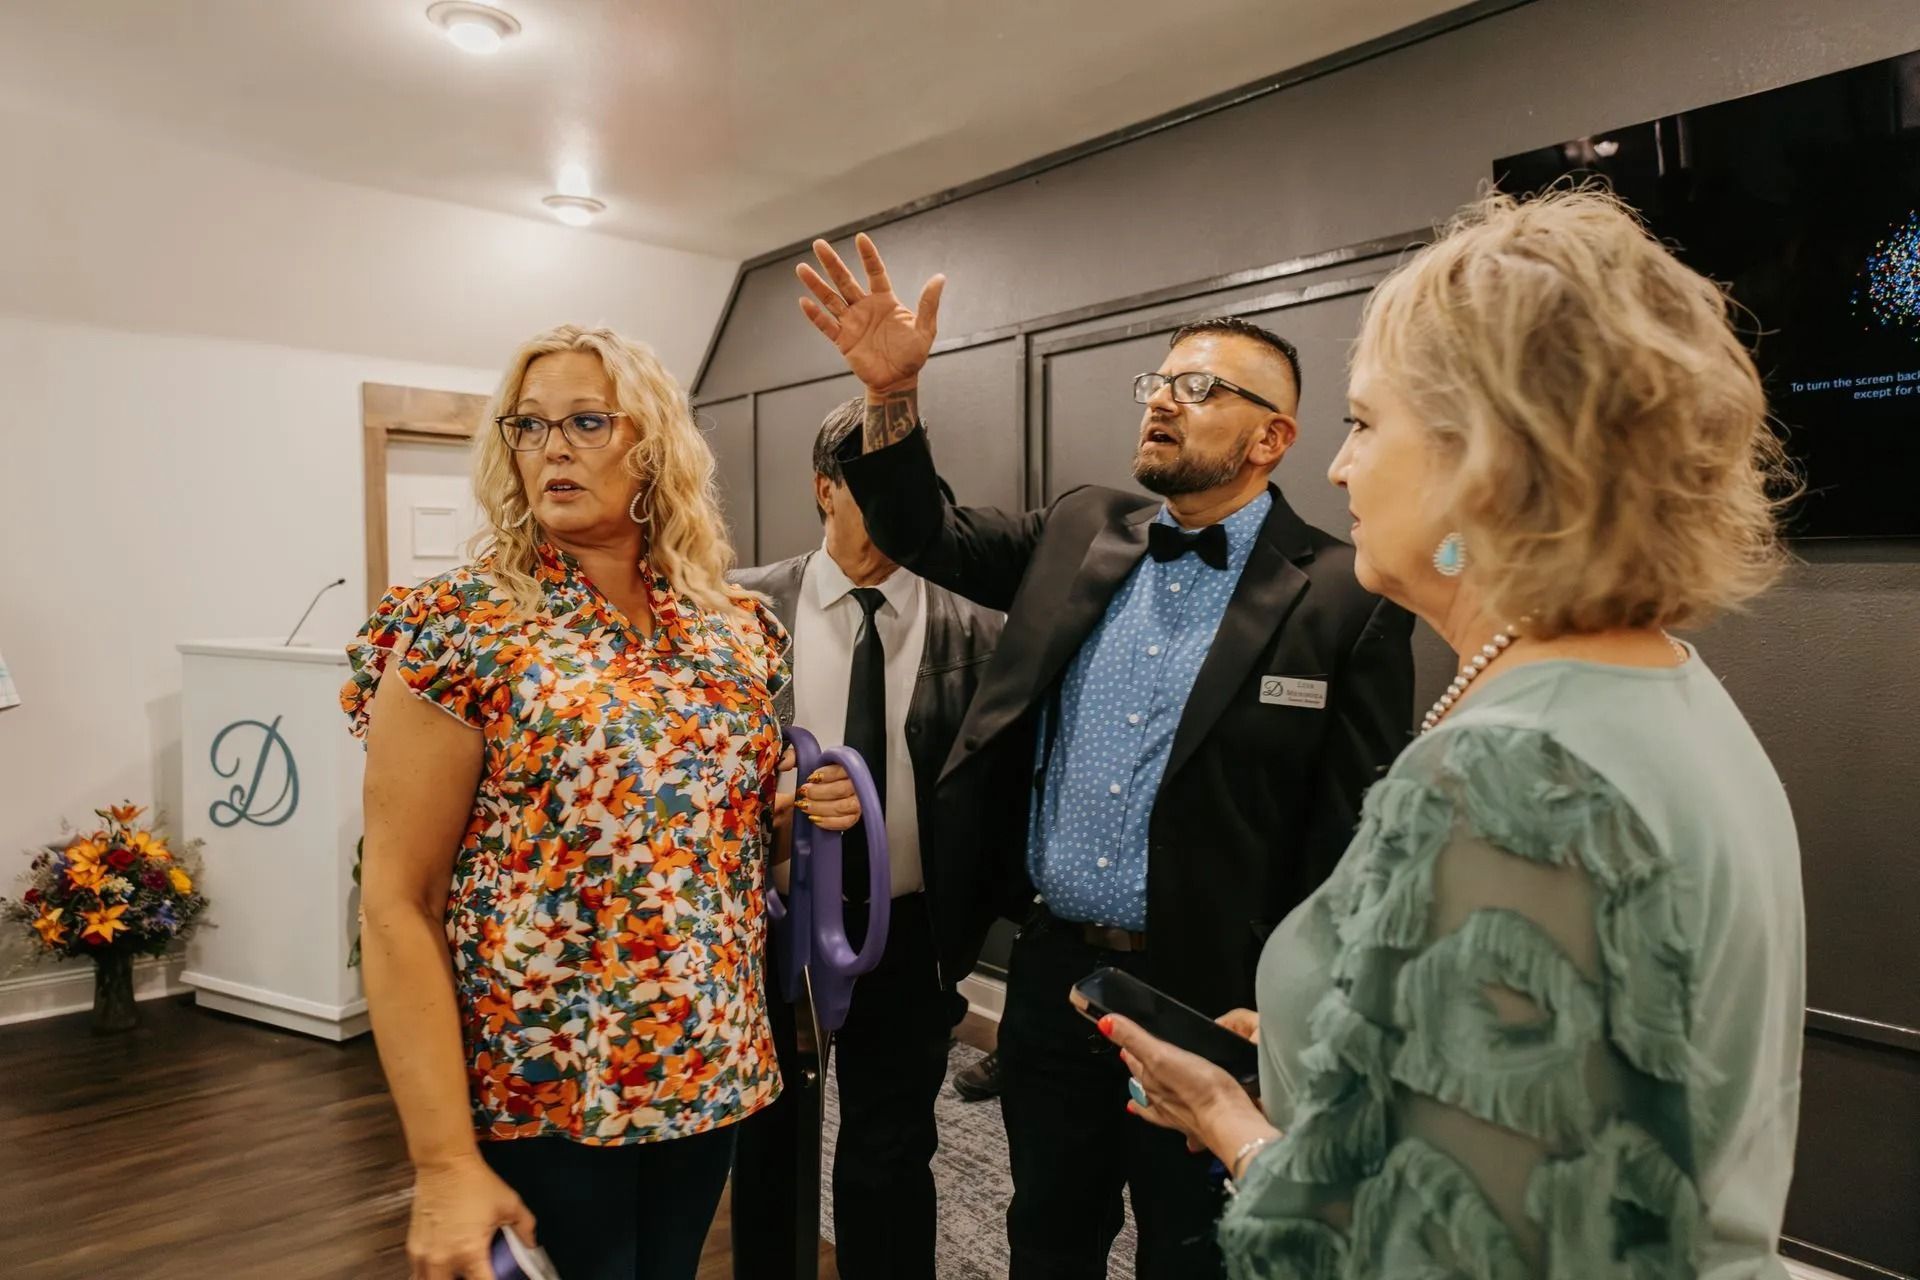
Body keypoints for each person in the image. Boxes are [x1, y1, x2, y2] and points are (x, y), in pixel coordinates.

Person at [1104, 188, 1807, 1279]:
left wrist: (1231, 1124)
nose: (1337, 467)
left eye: (1365, 421)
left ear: (1485, 453)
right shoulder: (1662, 686)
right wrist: (1332, 1053)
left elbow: (1436, 1256)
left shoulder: (1516, 771)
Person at [793, 235, 1415, 1279]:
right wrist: (892, 391)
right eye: (1159, 381)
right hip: (1052, 975)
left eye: (1201, 387)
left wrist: (1307, 1012)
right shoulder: (1085, 526)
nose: (1163, 401)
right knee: (1047, 1231)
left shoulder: (1347, 596)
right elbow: (917, 527)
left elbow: (1354, 833)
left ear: (1274, 436)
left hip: (1213, 991)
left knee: (1195, 1248)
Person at [343, 325, 861, 1280]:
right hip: (543, 1074)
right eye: (529, 426)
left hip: (709, 1057)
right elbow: (396, 902)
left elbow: (708, 844)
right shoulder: (461, 627)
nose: (552, 446)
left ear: (651, 448)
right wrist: (443, 1160)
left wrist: (793, 815)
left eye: (585, 420)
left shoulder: (734, 629)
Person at [727, 398, 1009, 1280]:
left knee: (892, 1150)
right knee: (768, 1145)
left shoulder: (978, 621)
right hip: (767, 929)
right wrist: (778, 808)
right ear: (824, 490)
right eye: (871, 487)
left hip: (911, 934)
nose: (897, 507)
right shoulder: (736, 610)